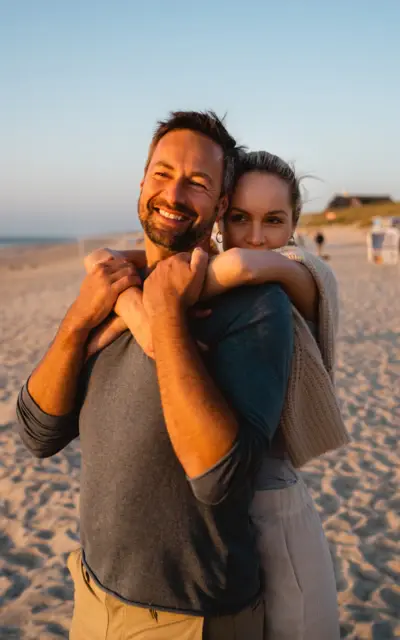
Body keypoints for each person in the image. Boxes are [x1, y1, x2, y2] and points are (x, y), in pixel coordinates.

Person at [16, 112, 295, 639]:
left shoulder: (255, 305)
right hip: (92, 598)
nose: (173, 193)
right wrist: (80, 320)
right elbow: (38, 434)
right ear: (141, 183)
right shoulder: (109, 292)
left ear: (220, 203)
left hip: (191, 618)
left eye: (198, 182)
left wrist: (166, 317)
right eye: (162, 174)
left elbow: (220, 479)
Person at [85, 151, 348, 639]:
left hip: (276, 515)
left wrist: (147, 317)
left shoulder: (302, 271)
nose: (255, 235)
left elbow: (245, 265)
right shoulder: (211, 267)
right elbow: (100, 260)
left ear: (295, 223)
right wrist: (134, 302)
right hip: (219, 528)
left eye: (273, 220)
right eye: (240, 218)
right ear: (222, 214)